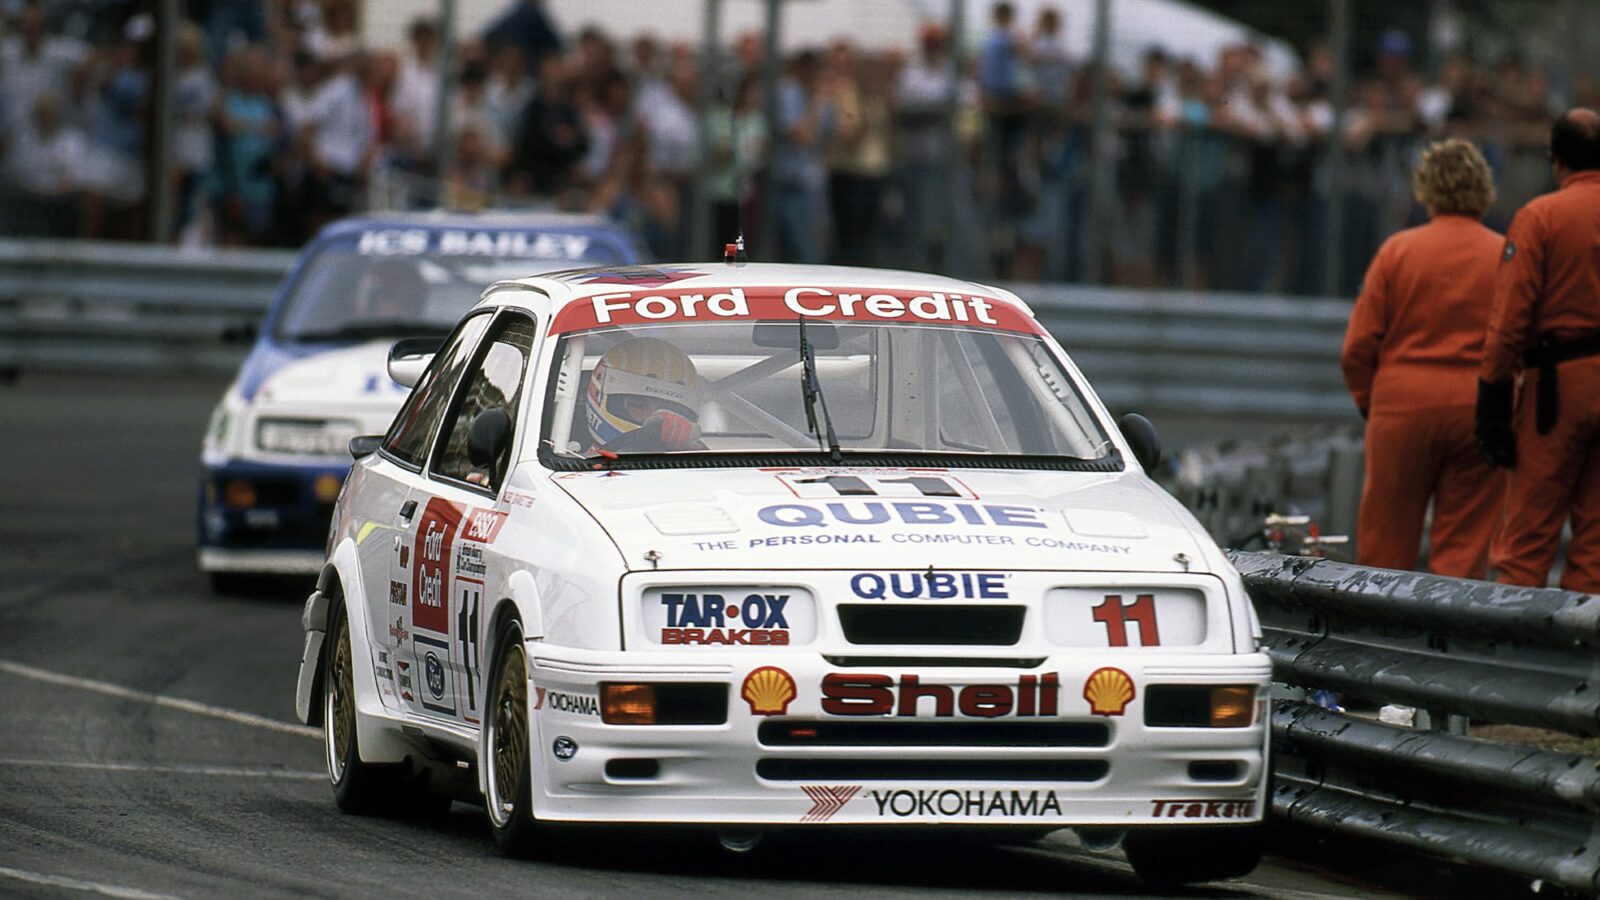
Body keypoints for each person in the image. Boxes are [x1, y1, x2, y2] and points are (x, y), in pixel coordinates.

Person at [1341, 138, 1504, 578]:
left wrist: (1369, 401)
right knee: (1464, 550)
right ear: (1484, 189)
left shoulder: (1398, 251)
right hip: (1477, 408)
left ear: (1425, 187)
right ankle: (1450, 641)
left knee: (1384, 547)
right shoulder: (1505, 253)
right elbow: (1518, 341)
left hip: (1402, 406)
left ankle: (1376, 642)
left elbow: (1358, 345)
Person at [1476, 108, 1600, 592]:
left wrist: (1492, 399)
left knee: (1527, 537)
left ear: (1556, 161)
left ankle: (1517, 661)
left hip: (1557, 389)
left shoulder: (1542, 217)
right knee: (1595, 542)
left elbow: (1509, 320)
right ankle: (1585, 658)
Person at [586, 337, 705, 453]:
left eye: (670, 411)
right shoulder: (573, 462)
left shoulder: (703, 465)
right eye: (639, 406)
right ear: (597, 396)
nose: (653, 419)